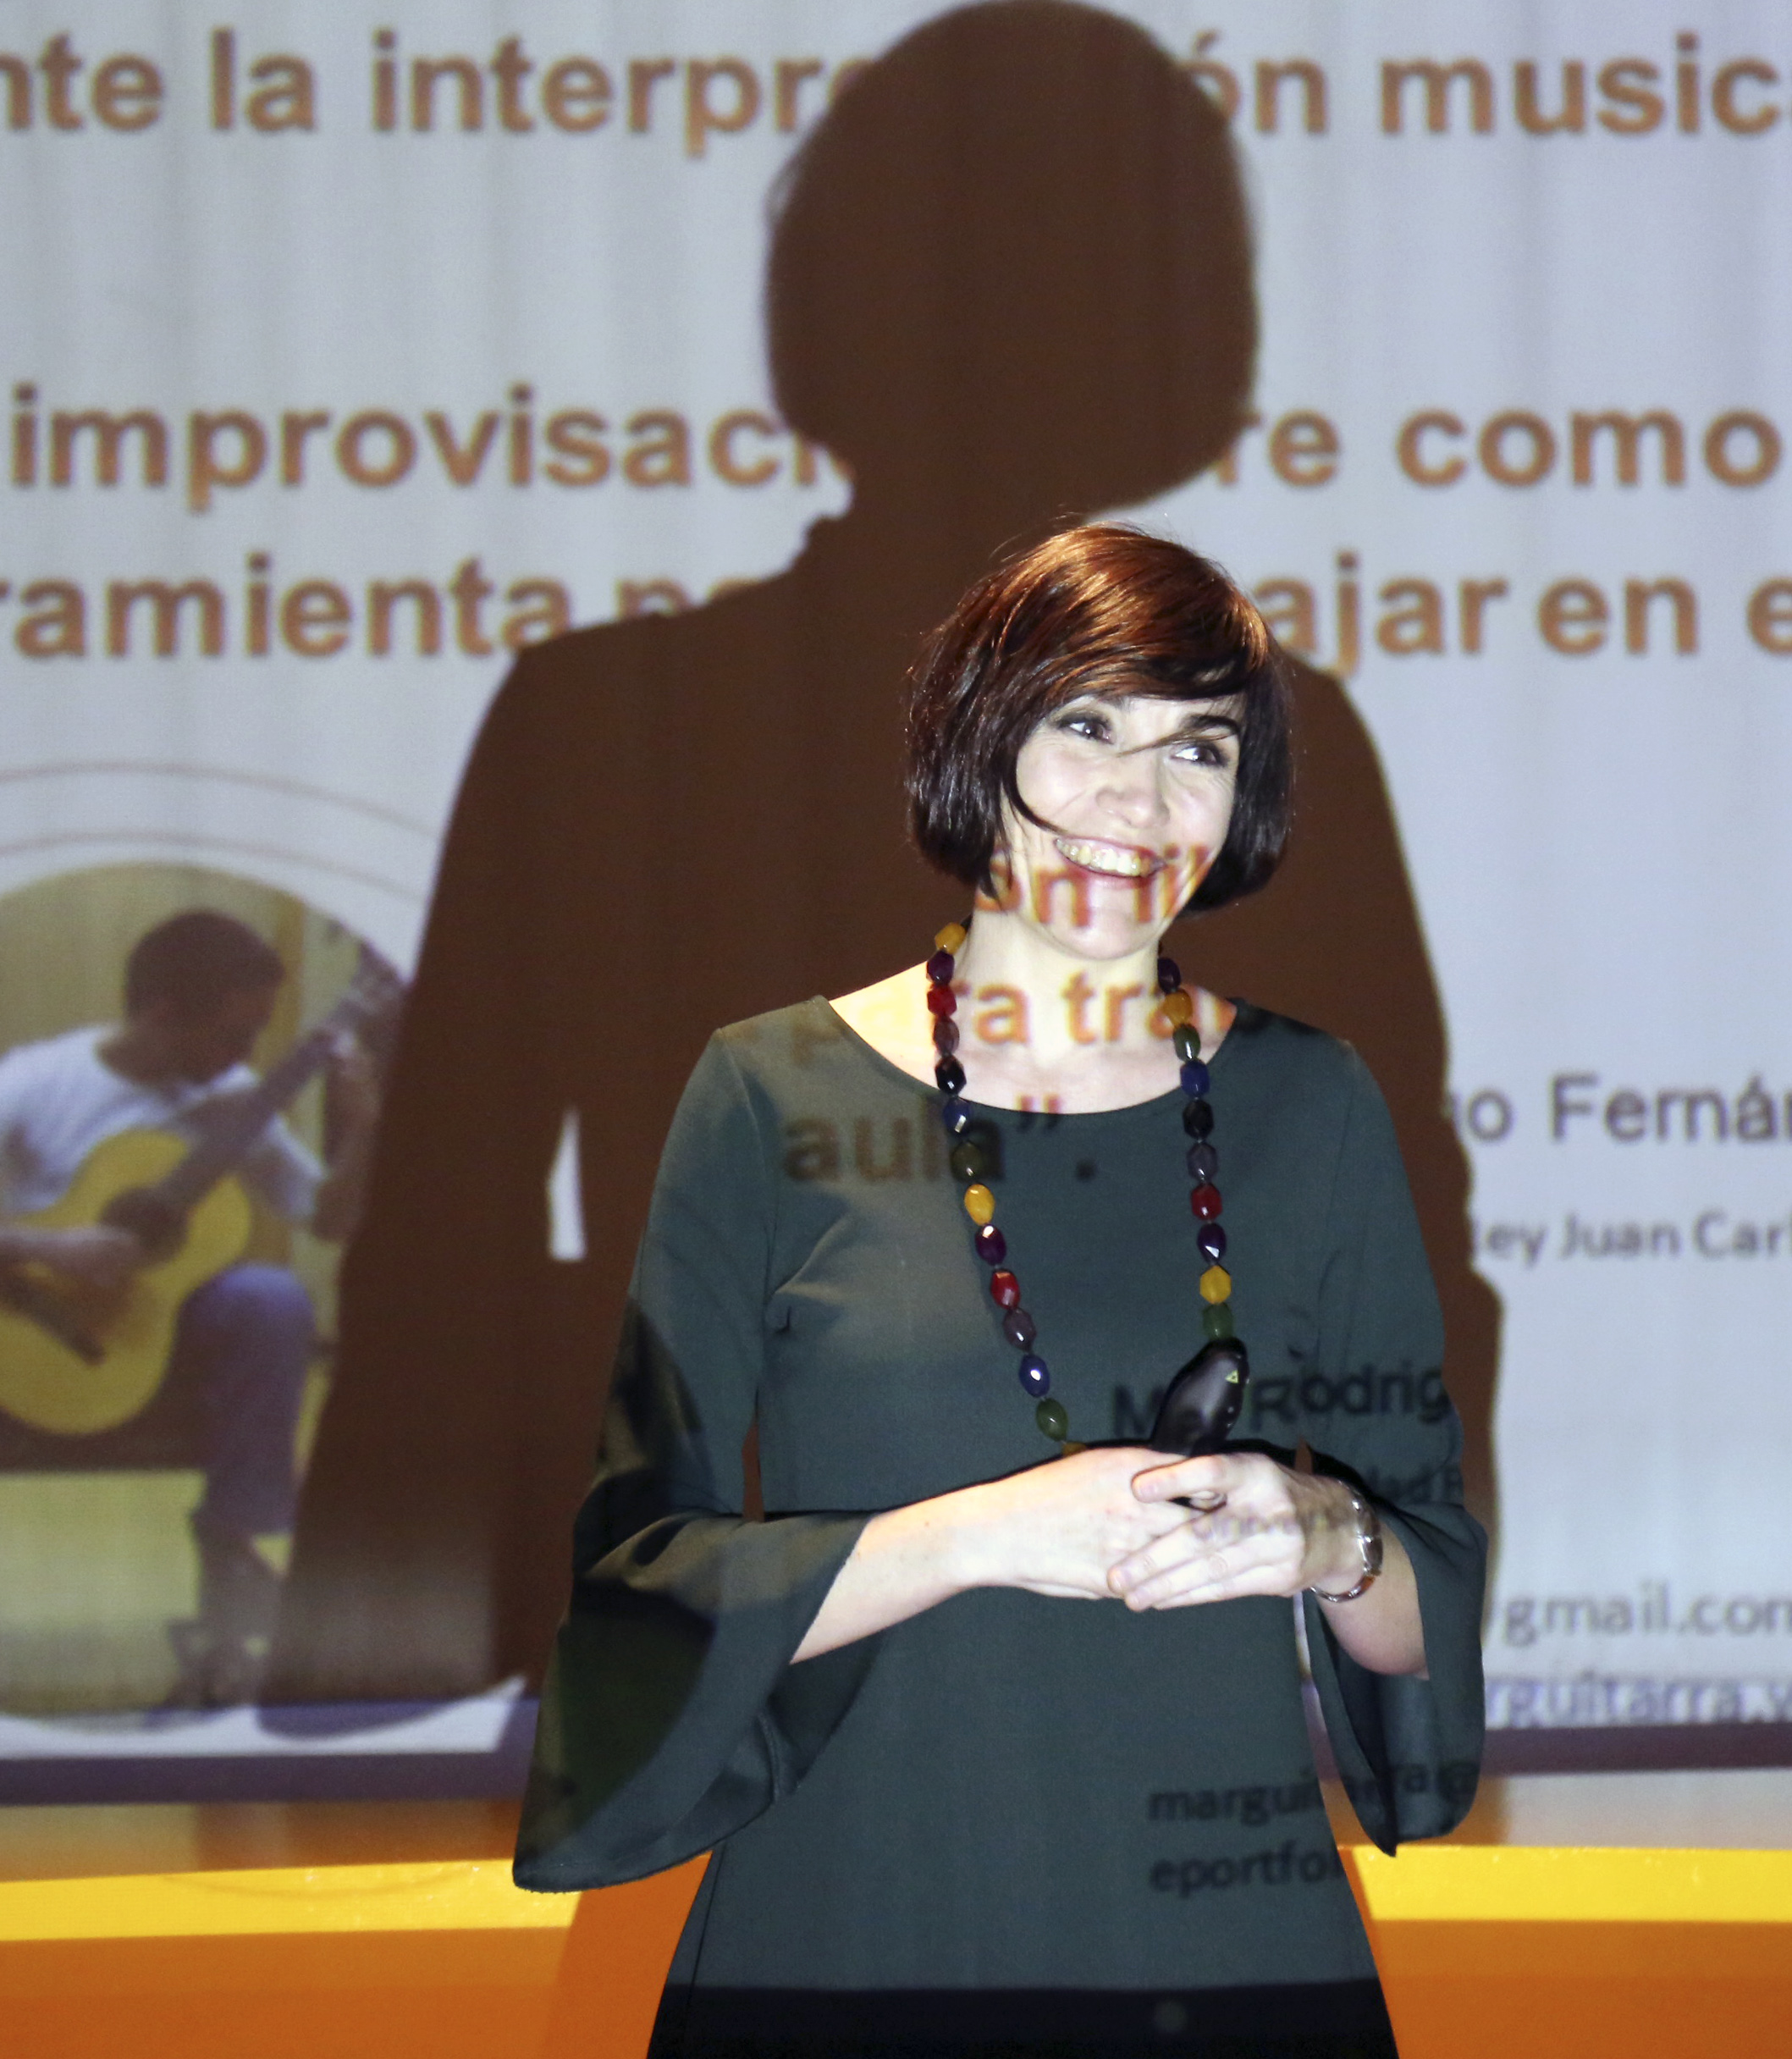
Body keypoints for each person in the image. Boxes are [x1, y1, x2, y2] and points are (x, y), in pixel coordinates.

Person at [269, 0, 1498, 1731]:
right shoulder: (593, 723)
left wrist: (1367, 1579)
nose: (1134, 796)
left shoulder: (1260, 743)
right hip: (732, 1663)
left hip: (1167, 1662)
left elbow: (1395, 1267)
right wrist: (385, 1658)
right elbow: (444, 1240)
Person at [516, 527, 1484, 2057]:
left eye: (1199, 749)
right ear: (980, 740)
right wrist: (979, 1536)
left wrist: (1323, 1535)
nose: (1140, 804)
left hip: (1222, 1925)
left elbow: (1428, 1614)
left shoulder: (1315, 1105)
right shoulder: (767, 1093)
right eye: (1087, 726)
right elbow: (642, 1584)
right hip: (857, 1919)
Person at [0, 908, 382, 1708]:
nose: (246, 1057)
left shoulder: (231, 1099)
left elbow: (326, 1220)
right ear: (162, 1012)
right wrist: (52, 1249)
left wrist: (363, 1131)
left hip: (160, 1355)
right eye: (233, 1035)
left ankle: (235, 1549)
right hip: (35, 1346)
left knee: (272, 1298)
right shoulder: (32, 1080)